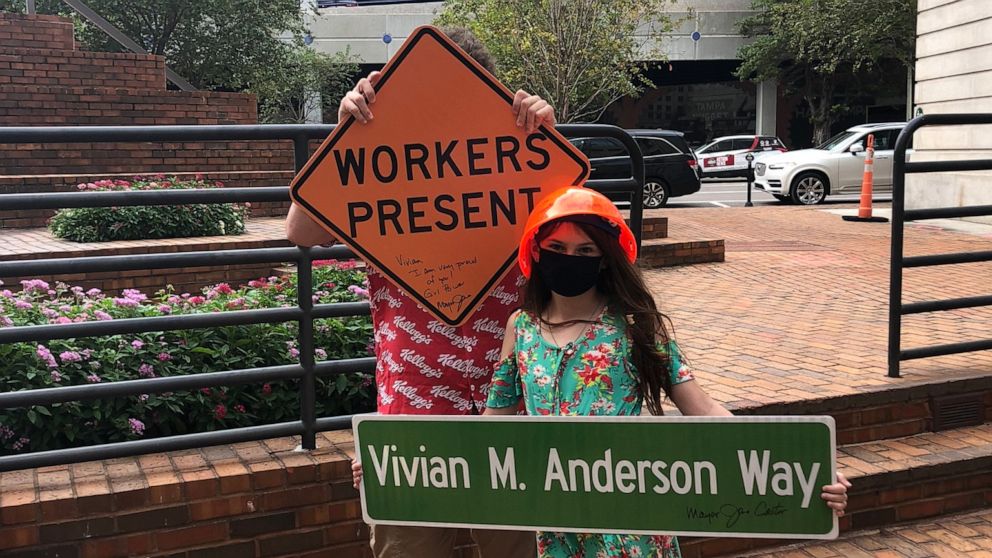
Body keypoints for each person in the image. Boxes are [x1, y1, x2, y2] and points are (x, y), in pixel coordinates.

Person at [482, 186, 852, 558]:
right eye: (557, 248)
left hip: (629, 517)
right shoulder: (521, 327)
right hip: (557, 520)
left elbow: (703, 410)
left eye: (585, 250)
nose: (569, 258)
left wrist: (804, 470)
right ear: (537, 252)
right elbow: (492, 423)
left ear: (605, 258)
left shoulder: (635, 325)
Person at [286, 27, 541, 558]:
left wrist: (544, 145)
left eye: (463, 89)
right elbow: (302, 232)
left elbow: (585, 240)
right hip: (412, 420)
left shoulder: (515, 154)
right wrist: (343, 141)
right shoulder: (377, 161)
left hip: (513, 416)